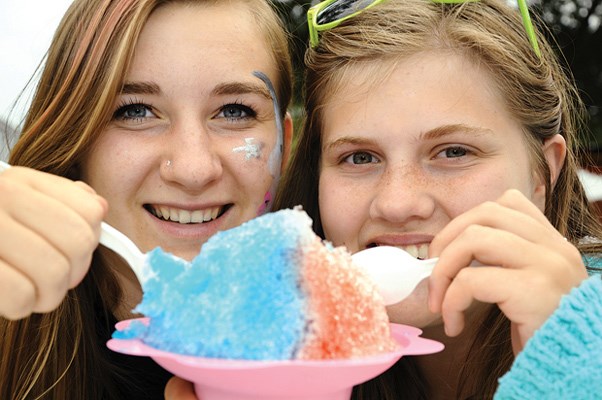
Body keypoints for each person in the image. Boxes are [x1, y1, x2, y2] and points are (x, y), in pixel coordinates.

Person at [270, 0, 602, 398]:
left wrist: (573, 367)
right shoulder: (262, 349)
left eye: (453, 152)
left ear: (542, 174)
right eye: (360, 157)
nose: (397, 203)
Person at [0, 0, 293, 398]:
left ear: (284, 143)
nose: (193, 170)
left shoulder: (374, 354)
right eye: (136, 111)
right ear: (75, 144)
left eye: (235, 111)